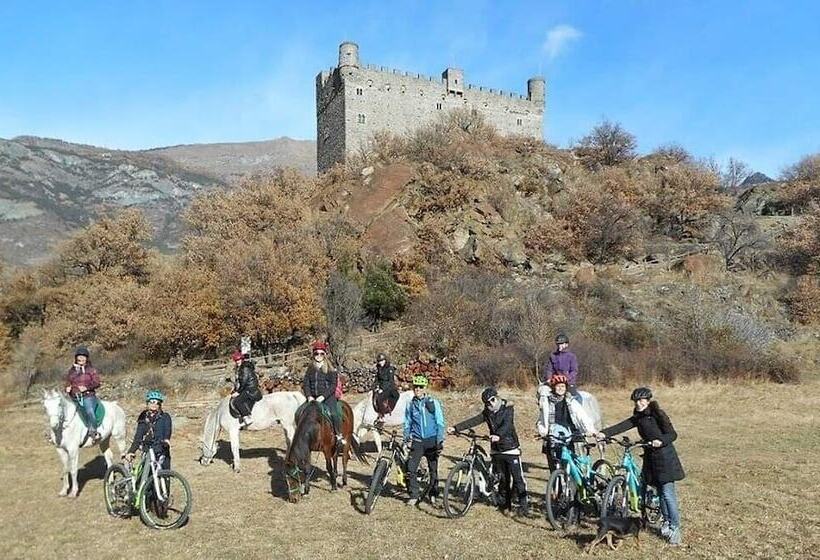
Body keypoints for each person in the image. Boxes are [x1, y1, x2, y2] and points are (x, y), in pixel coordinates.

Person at [597, 387, 685, 546]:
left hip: (665, 458)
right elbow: (622, 425)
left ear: (648, 400)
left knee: (667, 493)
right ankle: (665, 522)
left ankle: (675, 527)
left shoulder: (658, 414)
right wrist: (604, 433)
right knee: (659, 491)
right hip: (651, 458)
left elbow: (672, 434)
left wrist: (661, 441)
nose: (639, 403)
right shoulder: (638, 417)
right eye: (636, 401)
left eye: (641, 400)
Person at [448, 387, 529, 517]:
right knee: (503, 478)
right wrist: (456, 427)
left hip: (510, 448)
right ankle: (505, 505)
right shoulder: (487, 412)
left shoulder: (507, 408)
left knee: (518, 478)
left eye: (492, 400)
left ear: (497, 397)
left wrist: (498, 435)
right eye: (487, 402)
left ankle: (524, 506)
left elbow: (507, 425)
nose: (491, 403)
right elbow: (474, 420)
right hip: (496, 449)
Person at [536, 373, 596, 471]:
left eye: (563, 386)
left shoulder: (570, 401)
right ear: (553, 387)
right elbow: (542, 419)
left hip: (569, 435)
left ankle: (572, 484)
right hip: (552, 436)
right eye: (558, 386)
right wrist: (542, 431)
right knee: (553, 466)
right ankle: (556, 484)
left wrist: (590, 430)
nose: (561, 388)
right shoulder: (546, 402)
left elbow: (581, 416)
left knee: (571, 466)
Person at [403, 374, 445, 506]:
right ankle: (414, 494)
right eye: (415, 386)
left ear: (425, 388)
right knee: (411, 468)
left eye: (420, 387)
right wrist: (406, 436)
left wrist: (439, 439)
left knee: (433, 469)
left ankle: (433, 493)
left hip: (431, 440)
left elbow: (440, 422)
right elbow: (407, 423)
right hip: (417, 441)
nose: (417, 389)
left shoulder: (432, 402)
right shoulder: (410, 405)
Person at [301, 341, 344, 445]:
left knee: (334, 414)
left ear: (324, 355)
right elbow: (306, 384)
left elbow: (333, 385)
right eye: (316, 353)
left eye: (321, 353)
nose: (318, 356)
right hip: (312, 398)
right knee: (300, 412)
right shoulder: (310, 368)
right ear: (313, 354)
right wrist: (309, 396)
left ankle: (338, 435)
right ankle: (302, 436)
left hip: (328, 397)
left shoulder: (330, 368)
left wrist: (323, 397)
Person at [124, 390, 173, 471]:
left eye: (157, 402)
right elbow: (138, 437)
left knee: (165, 475)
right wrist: (131, 451)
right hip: (148, 450)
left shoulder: (165, 417)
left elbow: (168, 430)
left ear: (160, 405)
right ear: (147, 403)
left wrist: (166, 440)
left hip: (162, 449)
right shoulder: (143, 418)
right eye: (151, 402)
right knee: (147, 476)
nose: (154, 404)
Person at [64, 346, 102, 441]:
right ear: (76, 358)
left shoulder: (91, 370)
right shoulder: (72, 370)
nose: (81, 358)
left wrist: (86, 387)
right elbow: (68, 382)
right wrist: (67, 388)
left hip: (88, 396)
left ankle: (93, 431)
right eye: (79, 356)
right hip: (73, 397)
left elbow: (97, 382)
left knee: (89, 411)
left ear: (87, 358)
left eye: (83, 357)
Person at [231, 353, 262, 428]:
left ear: (242, 359)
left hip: (250, 389)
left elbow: (244, 381)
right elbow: (240, 381)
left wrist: (238, 392)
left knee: (237, 401)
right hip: (248, 388)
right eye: (236, 360)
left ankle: (247, 417)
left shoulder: (244, 368)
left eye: (238, 360)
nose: (237, 361)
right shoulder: (242, 367)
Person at [545, 333, 580, 397]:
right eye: (558, 344)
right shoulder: (553, 356)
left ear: (566, 344)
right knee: (544, 393)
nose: (559, 346)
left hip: (569, 383)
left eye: (561, 344)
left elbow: (574, 371)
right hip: (555, 383)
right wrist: (549, 378)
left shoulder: (571, 356)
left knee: (573, 398)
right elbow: (549, 369)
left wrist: (566, 378)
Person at [372, 352, 399, 419]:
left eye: (382, 361)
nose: (380, 362)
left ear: (385, 360)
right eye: (379, 361)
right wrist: (375, 386)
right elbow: (377, 379)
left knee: (380, 398)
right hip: (381, 387)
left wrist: (382, 389)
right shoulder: (379, 369)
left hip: (390, 388)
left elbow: (390, 381)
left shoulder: (390, 369)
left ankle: (382, 415)